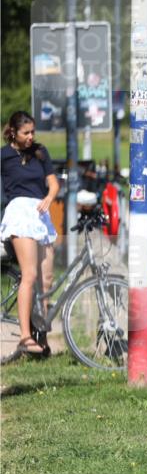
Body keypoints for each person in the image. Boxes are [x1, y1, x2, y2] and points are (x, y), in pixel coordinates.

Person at [0, 111, 59, 356]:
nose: (31, 136)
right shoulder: (4, 155)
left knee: (46, 279)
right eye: (26, 133)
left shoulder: (40, 152)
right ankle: (25, 337)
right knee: (30, 274)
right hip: (19, 213)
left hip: (40, 214)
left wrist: (50, 197)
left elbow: (53, 183)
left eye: (33, 131)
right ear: (14, 132)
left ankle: (40, 336)